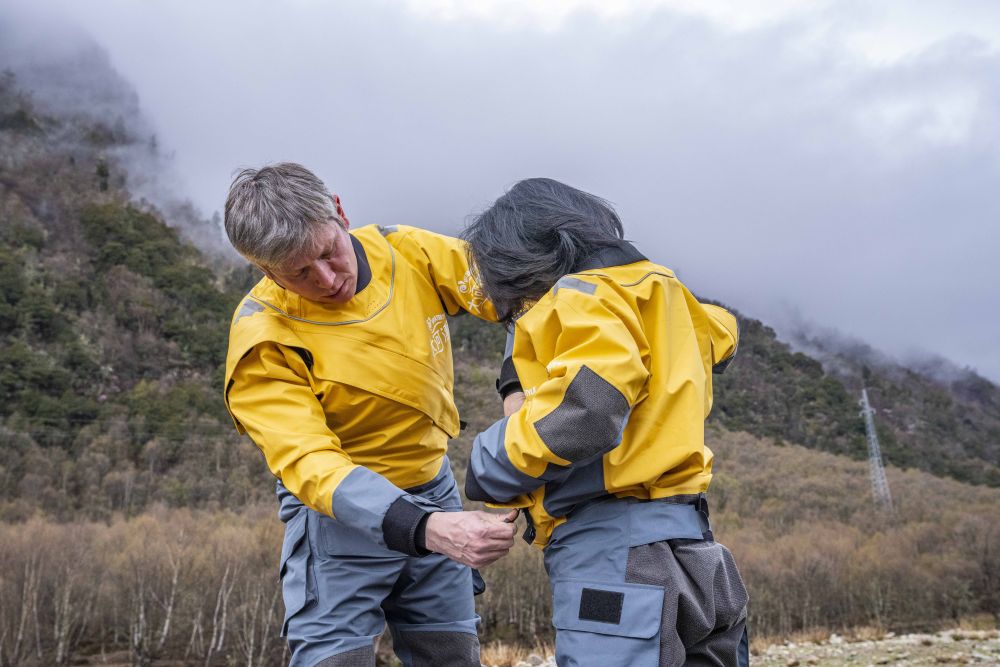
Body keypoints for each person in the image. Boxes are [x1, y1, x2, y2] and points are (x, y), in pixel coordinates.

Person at [222, 163, 516, 667]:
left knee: (451, 653)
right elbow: (312, 466)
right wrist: (427, 528)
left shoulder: (410, 251)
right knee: (336, 660)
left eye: (327, 252)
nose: (329, 279)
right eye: (299, 274)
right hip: (338, 517)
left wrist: (516, 391)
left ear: (339, 211)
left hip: (433, 486)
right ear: (266, 271)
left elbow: (521, 294)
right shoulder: (262, 337)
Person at [463, 178, 749, 667]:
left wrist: (488, 463)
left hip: (613, 555)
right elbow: (726, 332)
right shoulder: (669, 299)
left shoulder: (577, 295)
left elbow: (589, 410)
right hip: (699, 555)